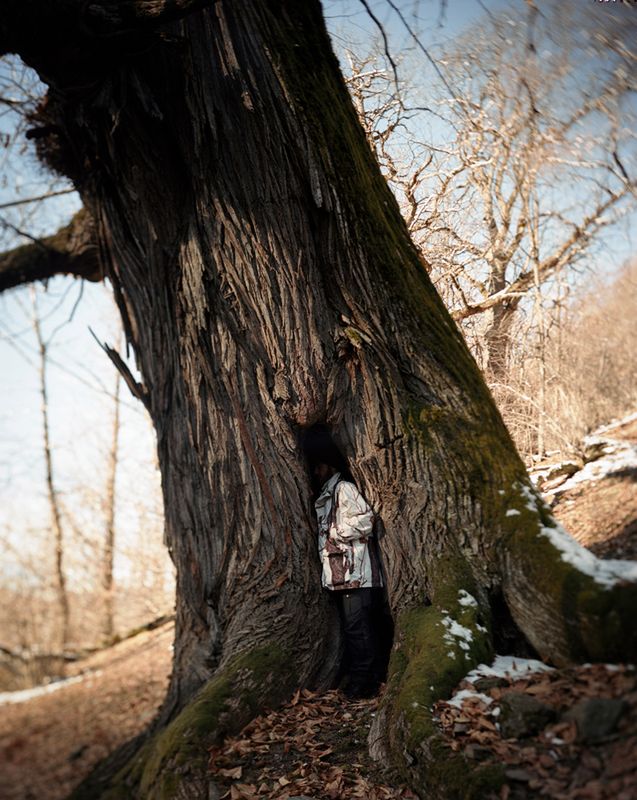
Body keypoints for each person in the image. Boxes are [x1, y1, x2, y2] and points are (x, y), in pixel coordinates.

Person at [313, 459, 384, 699]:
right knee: (357, 630)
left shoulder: (343, 488)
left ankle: (363, 686)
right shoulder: (327, 494)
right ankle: (367, 681)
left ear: (330, 466)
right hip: (344, 577)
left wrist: (336, 531)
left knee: (358, 631)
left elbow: (367, 520)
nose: (316, 471)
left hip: (357, 575)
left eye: (320, 465)